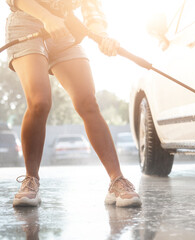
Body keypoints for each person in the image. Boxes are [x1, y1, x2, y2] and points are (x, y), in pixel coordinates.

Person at [5, 0, 141, 207]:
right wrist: (47, 17)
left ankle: (117, 180)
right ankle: (30, 180)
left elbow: (92, 9)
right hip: (26, 21)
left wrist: (102, 36)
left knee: (87, 102)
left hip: (65, 27)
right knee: (40, 102)